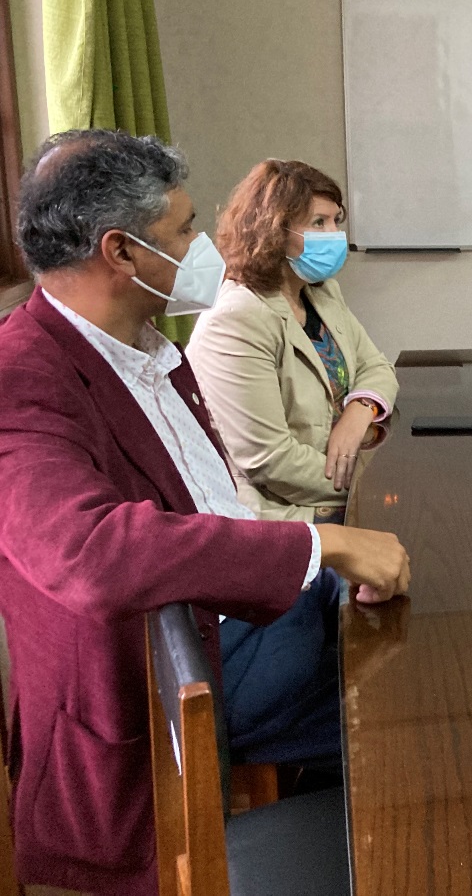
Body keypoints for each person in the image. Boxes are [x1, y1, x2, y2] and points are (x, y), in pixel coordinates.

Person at [0, 130, 410, 895]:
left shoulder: (147, 348)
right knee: (417, 696)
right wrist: (320, 547)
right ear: (120, 252)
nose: (207, 251)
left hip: (234, 617)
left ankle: (357, 831)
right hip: (163, 683)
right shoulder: (22, 376)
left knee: (412, 623)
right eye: (185, 230)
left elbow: (212, 506)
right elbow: (88, 552)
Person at [187, 159, 397, 523]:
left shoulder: (321, 292)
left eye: (335, 221)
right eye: (319, 223)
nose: (334, 234)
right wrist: (373, 483)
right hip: (287, 514)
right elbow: (271, 461)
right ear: (273, 231)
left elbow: (376, 367)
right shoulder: (237, 319)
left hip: (340, 487)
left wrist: (357, 410)